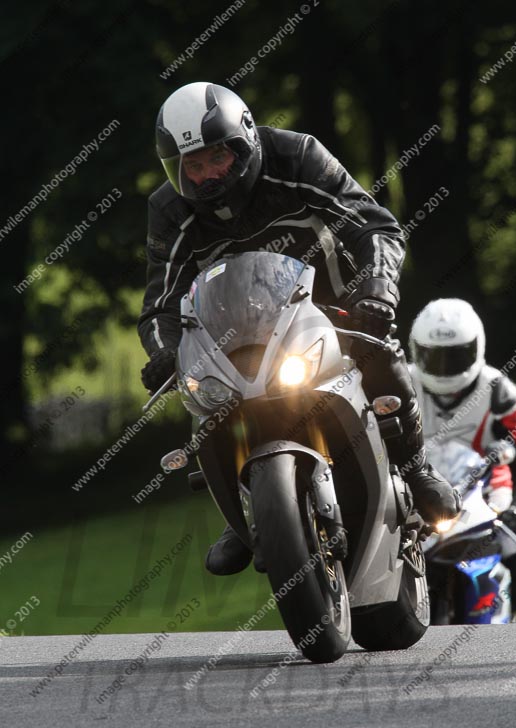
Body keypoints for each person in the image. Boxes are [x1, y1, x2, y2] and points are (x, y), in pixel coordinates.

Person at [138, 81, 459, 575]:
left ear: (244, 143)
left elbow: (375, 225)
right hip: (237, 335)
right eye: (193, 167)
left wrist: (376, 288)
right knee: (201, 388)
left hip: (336, 310)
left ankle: (416, 468)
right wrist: (165, 351)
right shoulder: (168, 211)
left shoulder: (298, 157)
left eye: (216, 159)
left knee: (380, 357)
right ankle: (245, 508)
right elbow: (160, 303)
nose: (206, 177)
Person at [409, 298, 516, 612]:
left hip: (490, 498)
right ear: (415, 349)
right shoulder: (400, 385)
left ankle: (504, 621)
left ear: (477, 348)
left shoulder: (501, 393)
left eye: (455, 357)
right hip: (414, 496)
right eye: (434, 357)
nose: (444, 368)